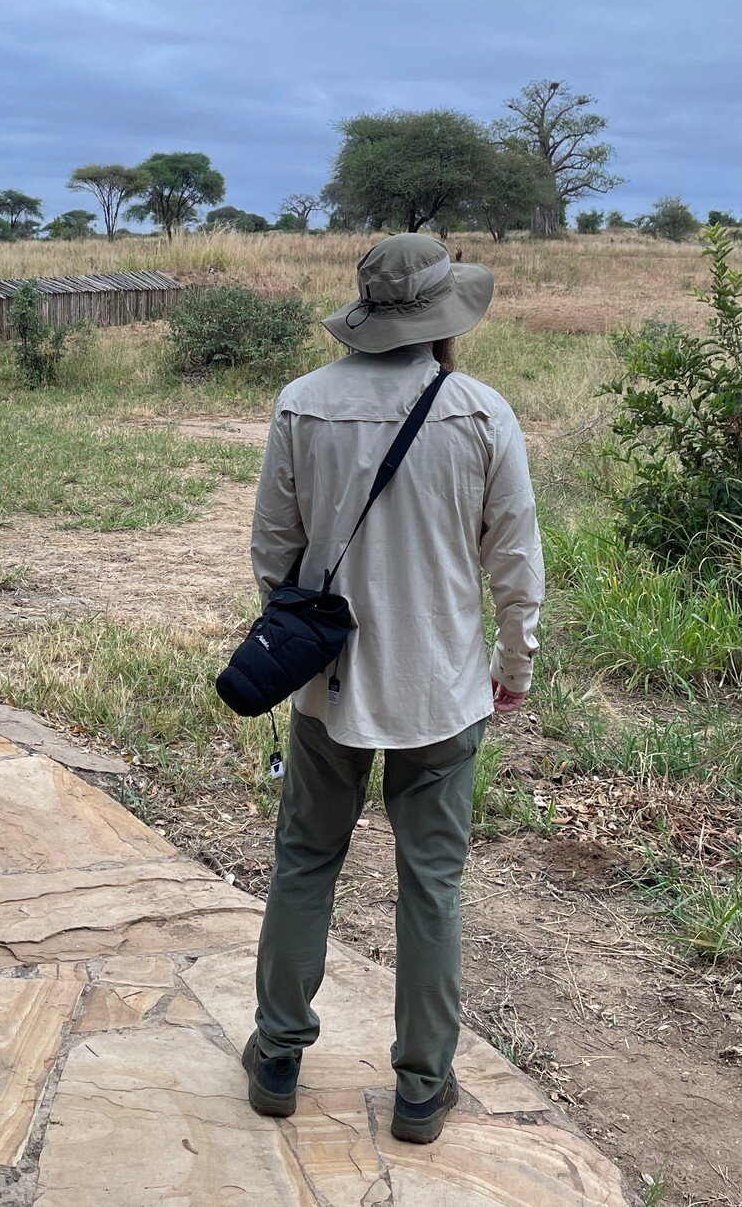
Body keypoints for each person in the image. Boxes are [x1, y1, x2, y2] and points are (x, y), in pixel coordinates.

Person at [242, 232, 544, 1144]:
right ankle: (421, 1085)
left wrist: (295, 639)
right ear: (442, 315)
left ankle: (280, 1054)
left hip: (329, 687)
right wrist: (514, 666)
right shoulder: (481, 413)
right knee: (431, 884)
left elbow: (271, 551)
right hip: (443, 687)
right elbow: (515, 563)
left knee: (304, 863)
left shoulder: (303, 404)